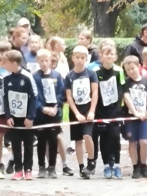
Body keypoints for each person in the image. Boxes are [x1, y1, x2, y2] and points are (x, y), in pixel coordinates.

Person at [2, 48, 37, 180]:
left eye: (5, 62)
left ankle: (28, 169)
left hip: (26, 117)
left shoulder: (27, 77)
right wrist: (8, 116)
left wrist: (30, 117)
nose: (3, 65)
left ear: (14, 63)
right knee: (15, 144)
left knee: (28, 144)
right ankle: (18, 169)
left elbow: (34, 97)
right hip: (14, 118)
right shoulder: (6, 78)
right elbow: (5, 98)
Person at [94, 39, 125, 180]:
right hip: (101, 111)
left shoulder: (119, 71)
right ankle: (106, 165)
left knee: (115, 137)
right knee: (104, 138)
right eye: (106, 54)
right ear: (101, 56)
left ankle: (116, 165)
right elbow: (94, 92)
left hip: (115, 111)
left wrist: (118, 109)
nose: (109, 56)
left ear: (115, 56)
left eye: (112, 54)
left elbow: (122, 90)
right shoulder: (95, 72)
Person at [65, 45, 98, 177]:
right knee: (78, 140)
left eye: (82, 58)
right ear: (73, 58)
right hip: (75, 111)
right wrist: (77, 113)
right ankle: (81, 166)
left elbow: (95, 93)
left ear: (86, 59)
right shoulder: (69, 76)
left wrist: (92, 111)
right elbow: (69, 97)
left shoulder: (91, 74)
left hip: (87, 108)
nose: (80, 60)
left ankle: (91, 161)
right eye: (77, 57)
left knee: (87, 135)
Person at [32, 48, 64, 178]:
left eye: (46, 60)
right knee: (41, 141)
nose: (44, 63)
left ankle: (52, 167)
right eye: (41, 61)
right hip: (41, 115)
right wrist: (42, 108)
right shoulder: (34, 77)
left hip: (54, 114)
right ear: (38, 61)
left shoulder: (57, 75)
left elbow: (61, 93)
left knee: (53, 140)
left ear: (50, 61)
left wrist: (56, 107)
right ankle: (41, 166)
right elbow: (34, 96)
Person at [121, 54, 147, 178]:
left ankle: (143, 165)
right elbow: (127, 98)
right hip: (131, 117)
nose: (130, 71)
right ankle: (135, 167)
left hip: (144, 117)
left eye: (133, 68)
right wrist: (135, 112)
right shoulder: (126, 82)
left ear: (139, 66)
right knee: (132, 142)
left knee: (144, 142)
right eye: (128, 70)